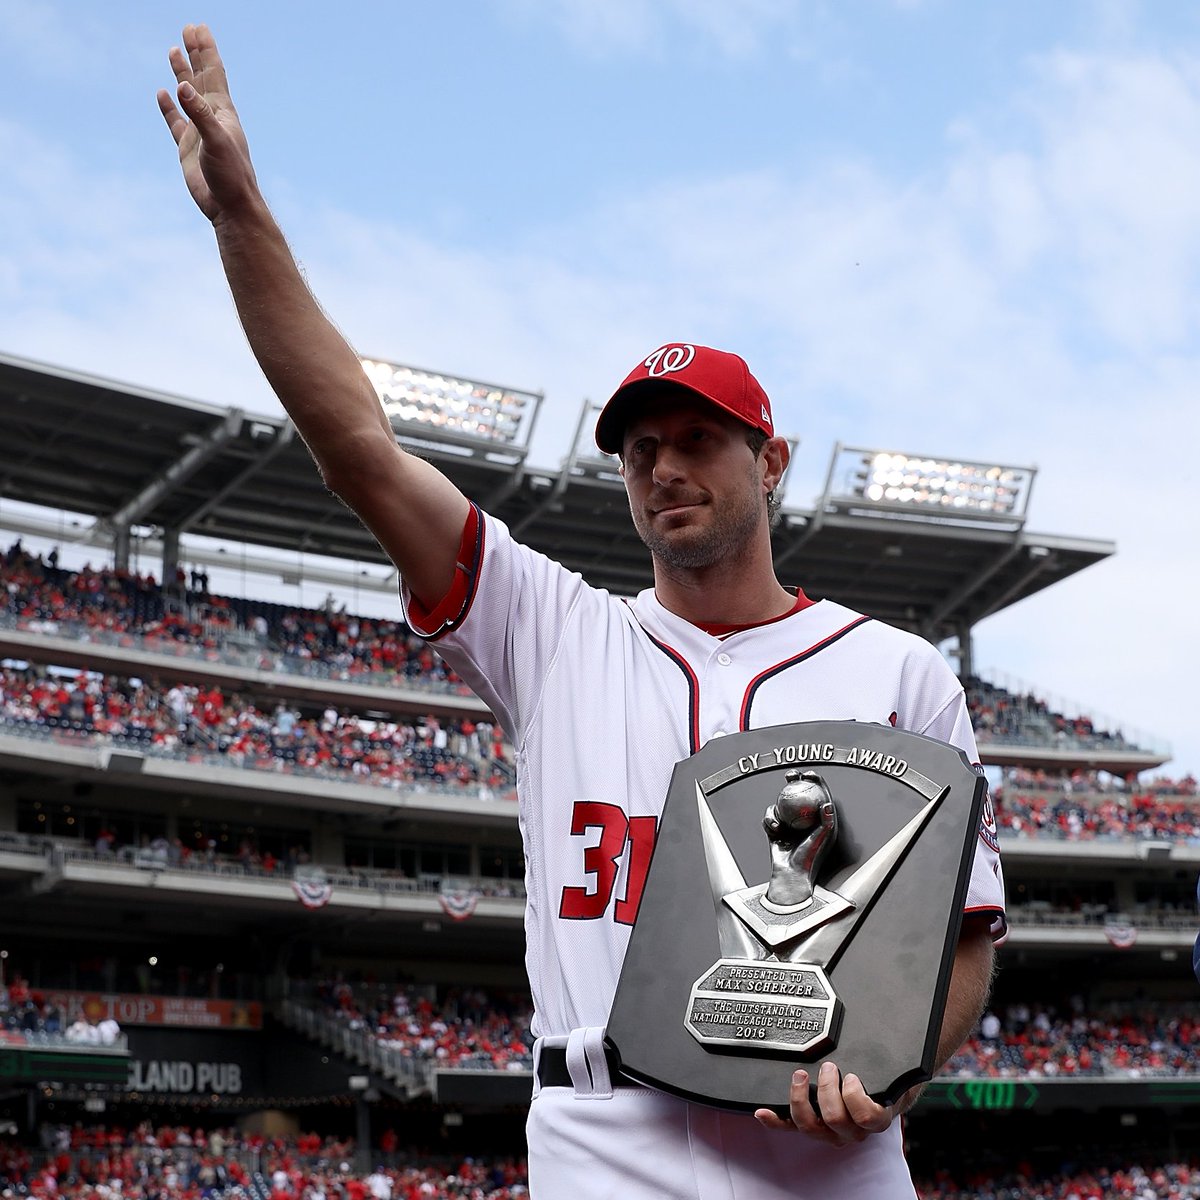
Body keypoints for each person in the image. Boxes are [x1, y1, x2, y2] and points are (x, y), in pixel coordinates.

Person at [159, 25, 1004, 1199]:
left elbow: (961, 938)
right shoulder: (554, 633)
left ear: (775, 462)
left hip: (827, 1154)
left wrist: (896, 1074)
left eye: (699, 439)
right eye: (640, 448)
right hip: (604, 1142)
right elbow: (359, 452)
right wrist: (243, 220)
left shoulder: (902, 672)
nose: (665, 467)